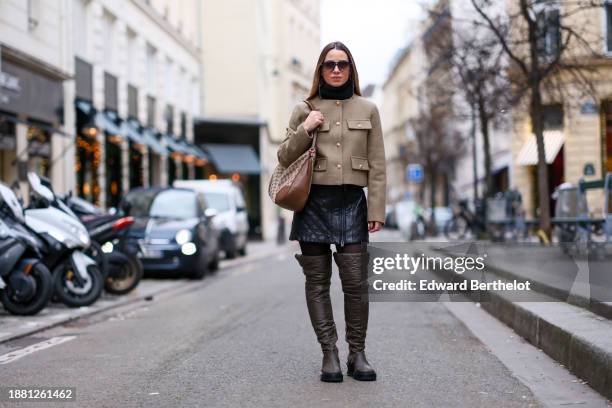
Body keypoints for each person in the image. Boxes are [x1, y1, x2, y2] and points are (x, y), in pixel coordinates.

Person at [276, 41, 387, 382]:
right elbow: (284, 157)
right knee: (318, 283)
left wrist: (378, 209)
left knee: (356, 283)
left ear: (351, 70)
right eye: (329, 64)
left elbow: (379, 165)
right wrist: (306, 127)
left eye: (342, 64)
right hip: (312, 204)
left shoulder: (368, 109)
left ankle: (358, 353)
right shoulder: (304, 108)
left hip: (352, 203)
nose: (336, 69)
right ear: (320, 70)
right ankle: (330, 354)